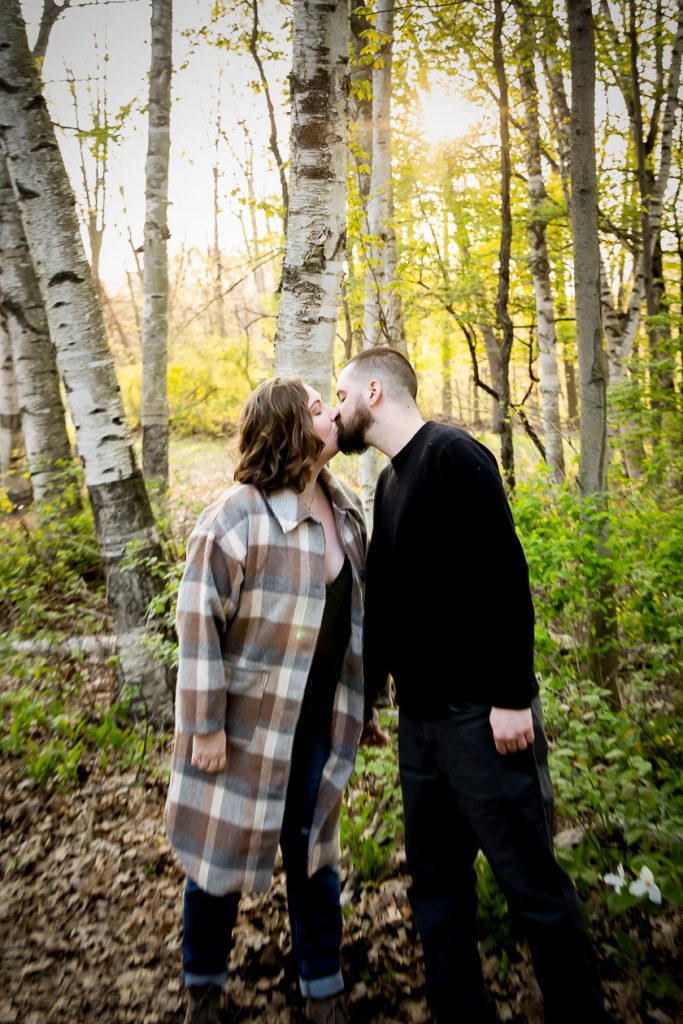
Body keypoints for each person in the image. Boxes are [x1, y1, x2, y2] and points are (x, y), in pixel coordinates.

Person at [334, 347, 617, 1024]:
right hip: (421, 727)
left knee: (529, 884)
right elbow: (388, 605)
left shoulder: (453, 455)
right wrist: (373, 698)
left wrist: (513, 696)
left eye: (339, 395)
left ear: (372, 392)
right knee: (436, 885)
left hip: (480, 720)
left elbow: (503, 579)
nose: (335, 409)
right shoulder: (387, 483)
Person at [165, 377, 369, 1024]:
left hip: (315, 723)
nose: (331, 412)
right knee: (217, 858)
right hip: (243, 725)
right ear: (288, 426)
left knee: (313, 857)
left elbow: (353, 625)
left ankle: (321, 986)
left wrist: (363, 709)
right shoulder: (235, 518)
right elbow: (197, 624)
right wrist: (204, 727)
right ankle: (203, 984)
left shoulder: (347, 511)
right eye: (317, 407)